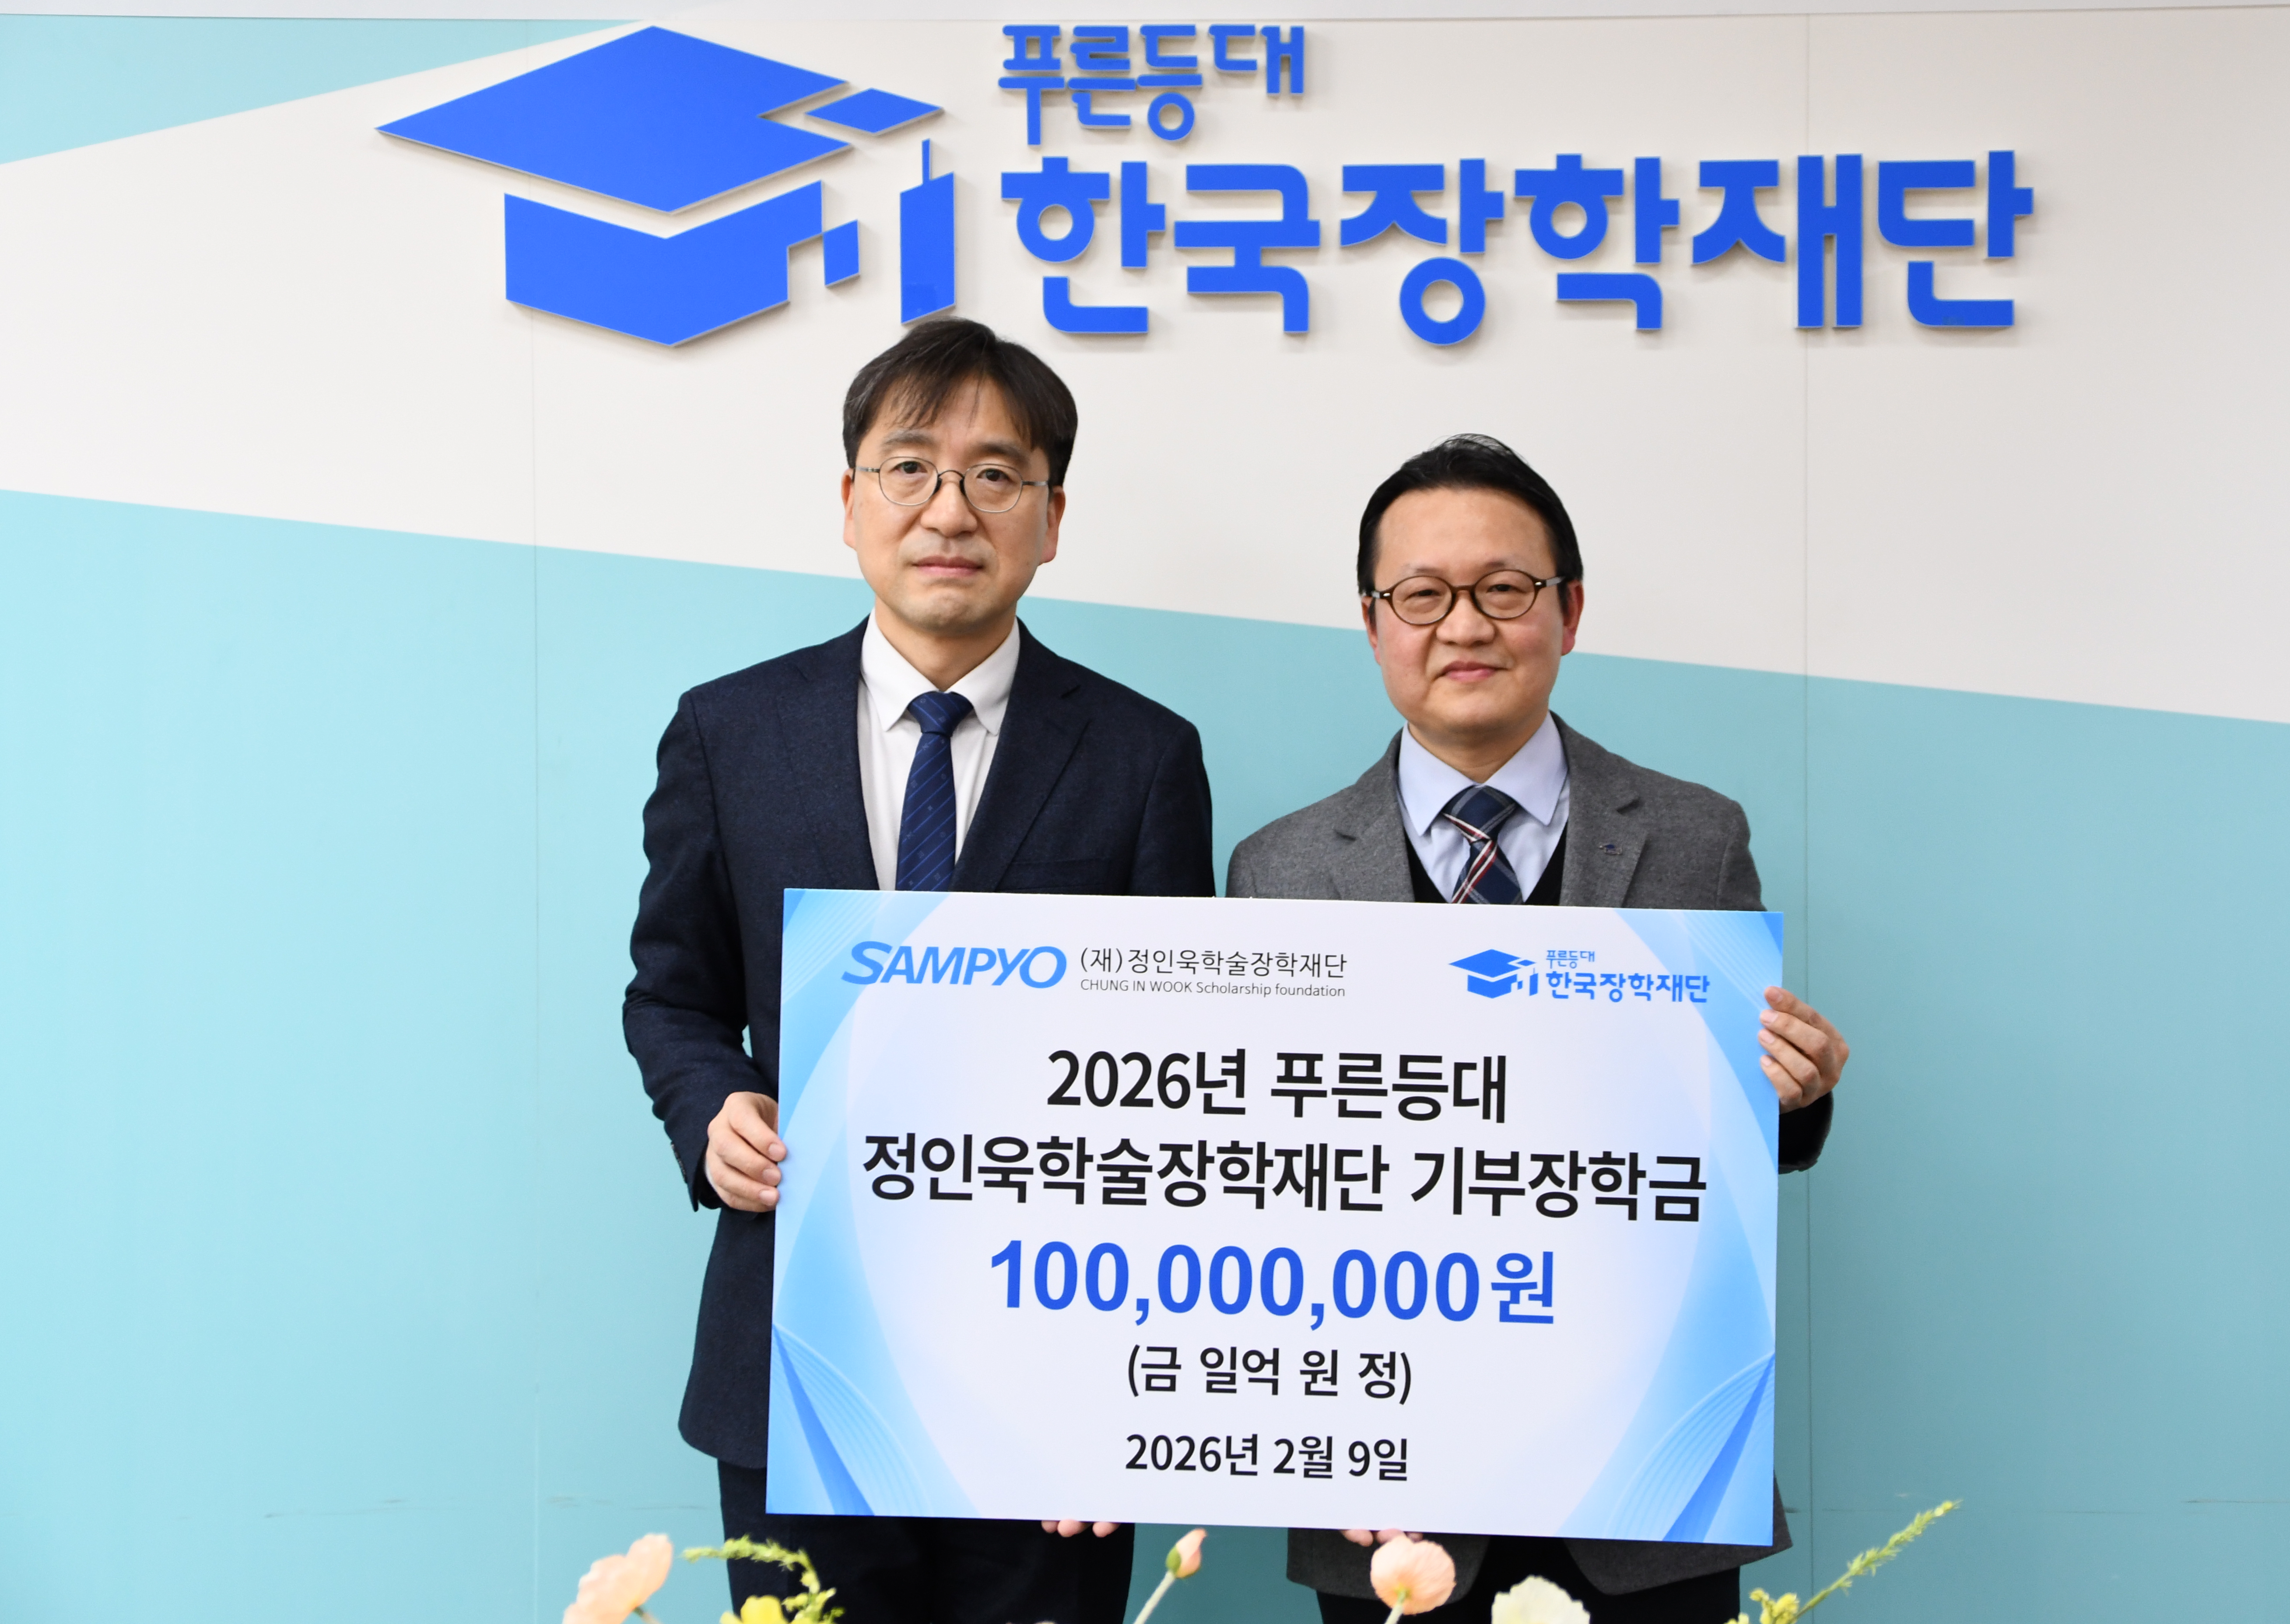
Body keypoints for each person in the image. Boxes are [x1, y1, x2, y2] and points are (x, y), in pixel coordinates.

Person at [623, 319, 1213, 1624]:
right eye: (911, 469)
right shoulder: (730, 733)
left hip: (1051, 1376)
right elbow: (672, 992)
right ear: (852, 502)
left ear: (1053, 518)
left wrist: (1119, 1394)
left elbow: (1181, 1069)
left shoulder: (1143, 756)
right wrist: (712, 1108)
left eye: (997, 474)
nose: (951, 509)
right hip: (798, 1350)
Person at [1227, 434, 1850, 1624]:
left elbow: (1726, 1147)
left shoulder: (1695, 835)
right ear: (1373, 625)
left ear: (1568, 610)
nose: (1464, 625)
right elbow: (1259, 1179)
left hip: (1642, 1482)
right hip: (1389, 1488)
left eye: (1504, 589)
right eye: (1422, 595)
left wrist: (1799, 1094)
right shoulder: (1280, 867)